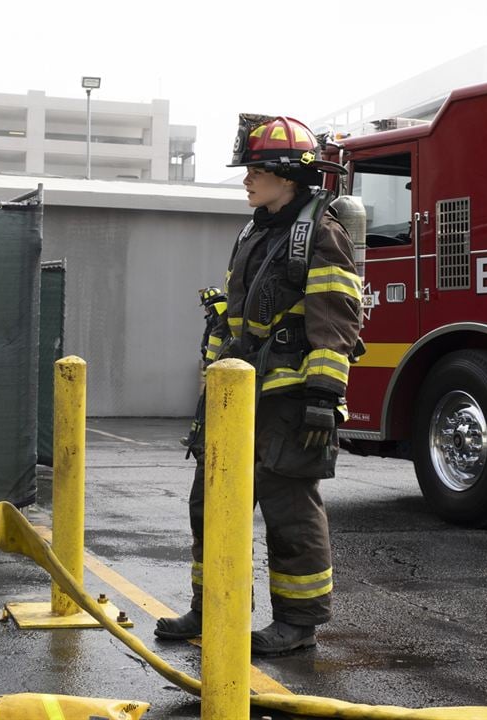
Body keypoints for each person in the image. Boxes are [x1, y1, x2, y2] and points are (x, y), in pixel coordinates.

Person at [154, 114, 361, 656]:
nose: (246, 179)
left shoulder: (320, 233)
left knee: (290, 509)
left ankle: (298, 623)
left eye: (256, 170)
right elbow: (237, 316)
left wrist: (322, 397)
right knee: (210, 500)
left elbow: (335, 317)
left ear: (288, 177)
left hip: (291, 402)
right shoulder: (255, 230)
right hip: (235, 398)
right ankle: (211, 606)